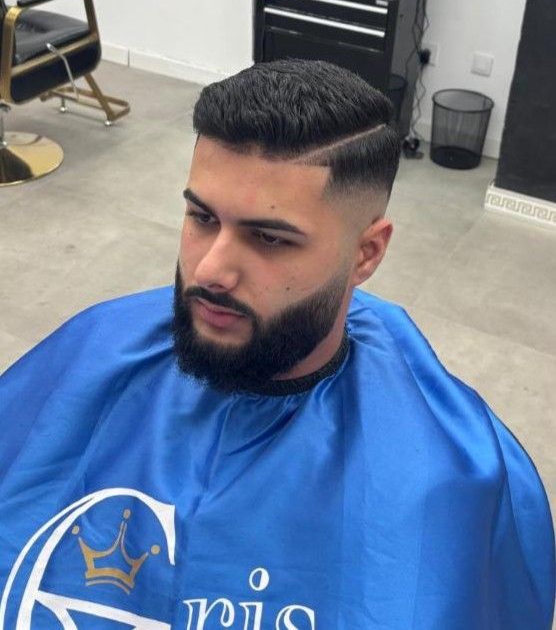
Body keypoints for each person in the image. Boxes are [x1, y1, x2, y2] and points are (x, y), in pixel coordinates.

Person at [0, 59, 553, 629]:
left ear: (366, 255)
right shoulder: (94, 351)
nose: (210, 271)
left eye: (268, 238)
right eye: (201, 217)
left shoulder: (450, 470)